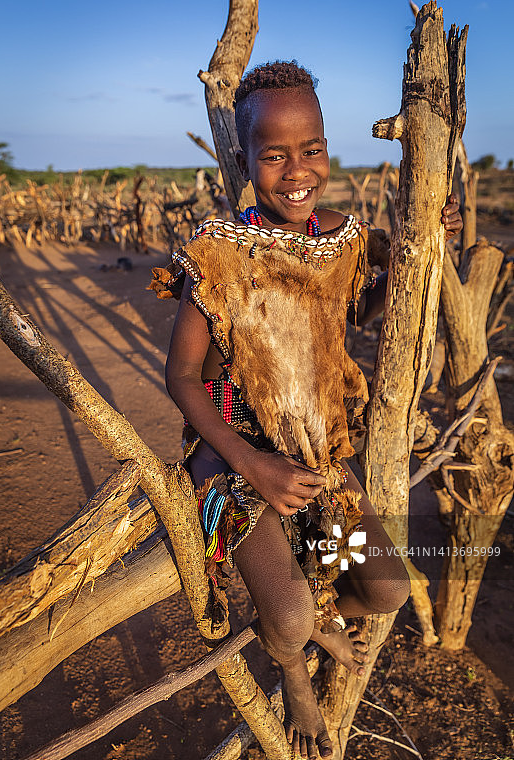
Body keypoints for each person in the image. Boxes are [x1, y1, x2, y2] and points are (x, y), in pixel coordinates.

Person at [149, 61, 462, 760]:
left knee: (382, 592)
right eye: (274, 153)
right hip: (235, 458)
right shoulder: (218, 255)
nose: (297, 169)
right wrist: (251, 462)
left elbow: (361, 311)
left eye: (311, 148)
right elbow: (180, 377)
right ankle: (290, 662)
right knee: (286, 612)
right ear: (243, 159)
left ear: (327, 147)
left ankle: (307, 619)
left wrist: (422, 245)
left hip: (318, 456)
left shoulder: (342, 241)